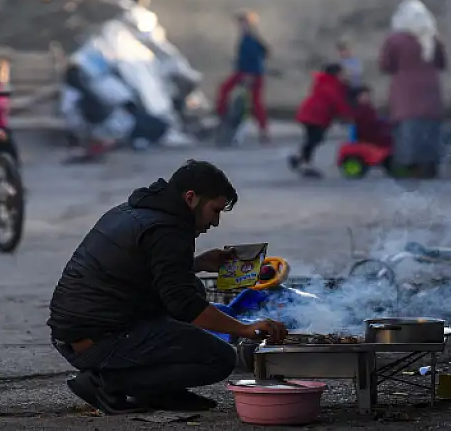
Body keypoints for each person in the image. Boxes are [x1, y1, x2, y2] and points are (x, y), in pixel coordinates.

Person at [48, 160, 288, 415]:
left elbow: (144, 271)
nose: (215, 222)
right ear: (191, 198)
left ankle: (158, 391)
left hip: (78, 332)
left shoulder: (138, 210)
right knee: (220, 358)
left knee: (192, 287)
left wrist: (198, 263)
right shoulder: (168, 230)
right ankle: (107, 383)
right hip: (96, 341)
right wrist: (244, 329)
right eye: (214, 210)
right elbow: (184, 304)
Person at [378, 0, 447, 179]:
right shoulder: (434, 38)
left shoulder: (396, 40)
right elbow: (442, 63)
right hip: (431, 90)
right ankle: (430, 165)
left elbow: (386, 65)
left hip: (405, 91)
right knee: (430, 127)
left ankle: (408, 164)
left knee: (408, 127)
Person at [288, 64, 359, 178]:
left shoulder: (330, 83)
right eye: (342, 73)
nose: (344, 75)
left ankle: (299, 159)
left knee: (314, 139)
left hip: (314, 115)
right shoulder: (330, 85)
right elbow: (337, 102)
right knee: (314, 139)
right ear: (336, 74)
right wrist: (348, 115)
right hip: (314, 116)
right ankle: (305, 163)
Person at [215, 10, 270, 143]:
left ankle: (263, 130)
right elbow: (264, 52)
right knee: (225, 90)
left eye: (242, 23)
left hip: (249, 73)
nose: (240, 27)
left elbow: (256, 56)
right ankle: (223, 117)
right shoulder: (248, 38)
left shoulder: (250, 39)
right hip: (245, 72)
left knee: (254, 102)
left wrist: (250, 74)